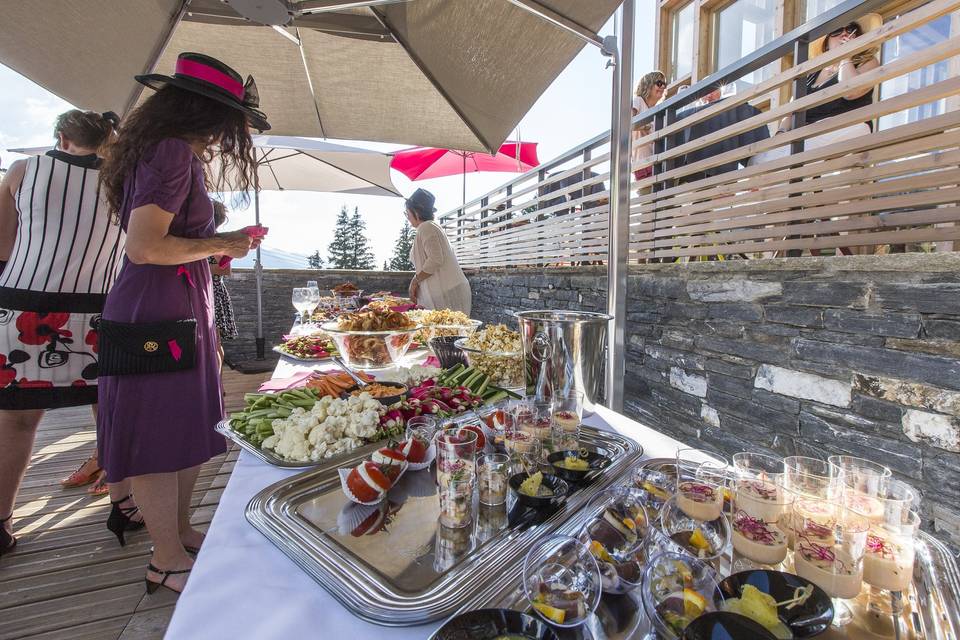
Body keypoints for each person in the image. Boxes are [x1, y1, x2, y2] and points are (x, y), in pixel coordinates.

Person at [97, 52, 267, 594]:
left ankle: (180, 529)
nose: (225, 136)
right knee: (155, 434)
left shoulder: (166, 150)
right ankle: (165, 558)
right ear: (202, 112)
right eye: (225, 122)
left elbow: (167, 242)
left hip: (176, 303)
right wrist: (224, 241)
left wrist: (211, 250)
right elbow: (145, 247)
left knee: (186, 425)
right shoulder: (171, 152)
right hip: (155, 311)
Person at [0, 109, 137, 559]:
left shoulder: (25, 169)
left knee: (18, 420)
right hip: (103, 307)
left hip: (26, 304)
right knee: (109, 413)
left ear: (61, 137)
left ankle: (1, 523)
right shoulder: (126, 179)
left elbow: (2, 241)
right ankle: (123, 503)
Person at [749, 14, 881, 165]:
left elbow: (850, 91)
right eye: (837, 30)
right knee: (757, 159)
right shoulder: (812, 75)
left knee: (791, 155)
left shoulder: (867, 62)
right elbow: (791, 113)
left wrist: (846, 57)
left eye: (851, 29)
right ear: (826, 42)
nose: (845, 33)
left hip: (845, 128)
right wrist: (780, 136)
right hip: (808, 136)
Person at [405, 188, 471, 314]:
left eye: (407, 212)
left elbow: (435, 259)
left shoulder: (426, 227)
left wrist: (415, 281)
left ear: (416, 212)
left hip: (447, 293)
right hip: (449, 290)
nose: (407, 216)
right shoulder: (430, 227)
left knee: (446, 332)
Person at [208, 201, 239, 369]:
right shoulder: (203, 239)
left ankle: (217, 385)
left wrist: (196, 268)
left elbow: (225, 269)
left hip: (212, 294)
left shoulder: (214, 240)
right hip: (205, 292)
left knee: (214, 343)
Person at [631, 71, 667, 188]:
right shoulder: (638, 101)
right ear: (648, 84)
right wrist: (646, 127)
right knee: (650, 202)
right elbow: (626, 122)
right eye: (659, 83)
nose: (662, 87)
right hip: (643, 164)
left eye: (664, 84)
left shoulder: (658, 111)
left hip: (657, 162)